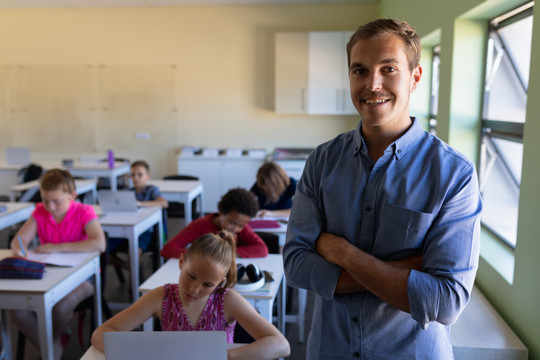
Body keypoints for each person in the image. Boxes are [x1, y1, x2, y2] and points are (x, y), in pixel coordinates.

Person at [282, 18, 482, 359]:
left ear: (415, 77)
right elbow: (297, 265)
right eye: (360, 70)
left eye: (388, 69)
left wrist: (343, 253)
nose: (373, 84)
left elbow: (446, 301)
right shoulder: (322, 162)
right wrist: (405, 270)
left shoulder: (454, 174)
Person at [91, 230, 290, 359]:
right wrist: (140, 351)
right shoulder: (161, 297)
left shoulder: (227, 300)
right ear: (181, 262)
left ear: (220, 282)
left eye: (207, 284)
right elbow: (101, 334)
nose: (194, 289)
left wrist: (227, 356)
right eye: (191, 276)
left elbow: (281, 344)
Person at [10, 168, 106, 360]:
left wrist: (57, 247)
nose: (51, 206)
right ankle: (52, 348)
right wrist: (19, 249)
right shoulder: (40, 211)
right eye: (46, 200)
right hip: (48, 275)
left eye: (57, 201)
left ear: (72, 196)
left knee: (61, 307)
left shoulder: (84, 211)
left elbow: (99, 243)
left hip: (84, 277)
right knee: (18, 310)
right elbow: (18, 240)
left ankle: (51, 344)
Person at [161, 187, 268, 259]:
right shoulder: (199, 225)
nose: (236, 229)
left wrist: (228, 254)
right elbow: (168, 249)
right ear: (221, 212)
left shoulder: (242, 228)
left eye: (241, 225)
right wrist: (202, 256)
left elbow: (262, 249)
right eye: (232, 223)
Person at [109, 160, 169, 255]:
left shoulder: (151, 190)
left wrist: (140, 204)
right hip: (125, 228)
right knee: (104, 248)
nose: (136, 178)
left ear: (148, 176)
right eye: (133, 175)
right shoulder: (127, 191)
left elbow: (163, 203)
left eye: (140, 175)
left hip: (145, 231)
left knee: (134, 251)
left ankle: (135, 269)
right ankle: (125, 266)